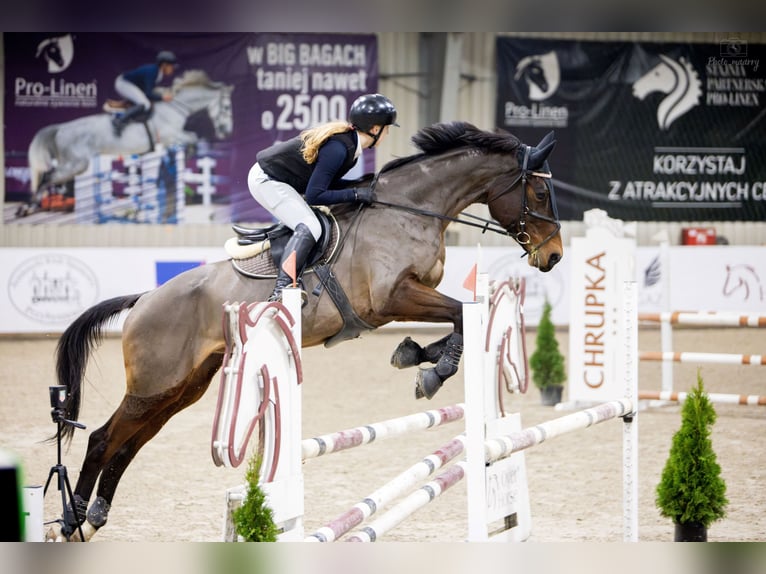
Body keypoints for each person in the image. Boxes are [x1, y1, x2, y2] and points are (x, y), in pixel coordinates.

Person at [248, 93, 398, 304]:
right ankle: (282, 288)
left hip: (278, 179)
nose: (387, 133)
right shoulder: (339, 148)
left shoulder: (350, 148)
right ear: (375, 129)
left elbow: (325, 184)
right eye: (387, 129)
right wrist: (355, 194)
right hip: (266, 179)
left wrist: (359, 186)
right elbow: (315, 195)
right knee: (310, 225)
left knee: (313, 222)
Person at [111, 50, 178, 136]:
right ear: (164, 65)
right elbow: (148, 93)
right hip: (123, 83)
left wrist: (160, 97)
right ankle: (118, 122)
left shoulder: (158, 73)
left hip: (129, 84)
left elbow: (146, 90)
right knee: (145, 104)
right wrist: (162, 97)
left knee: (146, 103)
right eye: (171, 66)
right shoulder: (153, 71)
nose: (172, 69)